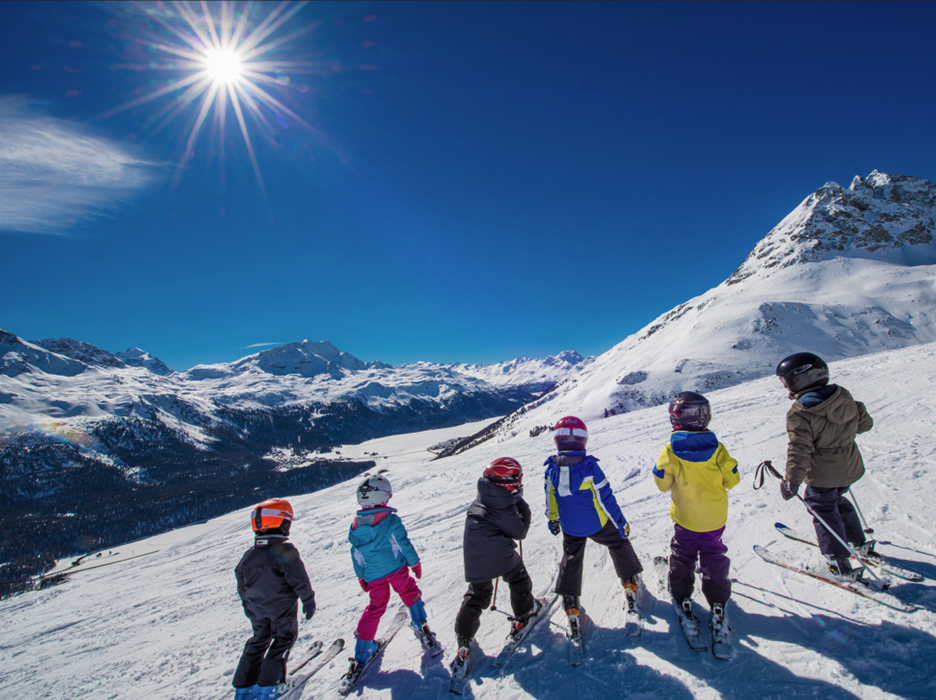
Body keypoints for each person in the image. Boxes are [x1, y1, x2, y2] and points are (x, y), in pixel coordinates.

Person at [775, 352, 874, 580]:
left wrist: (792, 480)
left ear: (801, 379)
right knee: (836, 500)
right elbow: (864, 425)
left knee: (822, 507)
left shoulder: (801, 412)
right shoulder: (843, 395)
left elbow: (799, 449)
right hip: (850, 466)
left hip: (823, 473)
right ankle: (856, 540)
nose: (785, 387)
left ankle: (837, 562)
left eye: (786, 381)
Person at [544, 416, 643, 635]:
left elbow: (550, 497)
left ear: (557, 441)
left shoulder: (551, 469)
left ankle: (570, 602)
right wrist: (620, 522)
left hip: (570, 527)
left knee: (571, 556)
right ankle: (629, 580)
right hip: (597, 524)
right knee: (618, 541)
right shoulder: (589, 467)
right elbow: (606, 497)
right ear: (583, 440)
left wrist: (552, 518)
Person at [653, 392, 739, 631]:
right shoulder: (718, 449)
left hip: (686, 518)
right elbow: (732, 480)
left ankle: (681, 595)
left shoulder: (670, 450)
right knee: (713, 554)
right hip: (714, 518)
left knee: (683, 554)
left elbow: (661, 483)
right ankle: (718, 601)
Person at [451, 457, 542, 676]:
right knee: (518, 578)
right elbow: (520, 532)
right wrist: (520, 503)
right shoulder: (505, 503)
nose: (520, 483)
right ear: (508, 481)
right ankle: (524, 616)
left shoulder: (486, 493)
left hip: (474, 553)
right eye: (517, 479)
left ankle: (464, 640)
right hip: (498, 551)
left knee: (478, 593)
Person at [347, 474, 440, 679]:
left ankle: (361, 653)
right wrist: (414, 562)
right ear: (380, 497)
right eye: (387, 496)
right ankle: (422, 627)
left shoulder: (354, 527)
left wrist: (361, 576)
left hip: (373, 576)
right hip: (396, 570)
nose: (388, 500)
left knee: (375, 608)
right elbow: (403, 543)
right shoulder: (390, 520)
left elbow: (357, 555)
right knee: (409, 592)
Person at [233, 499, 316, 700]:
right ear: (279, 523)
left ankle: (243, 688)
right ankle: (270, 687)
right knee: (283, 639)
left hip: (257, 610)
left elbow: (241, 580)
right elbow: (298, 579)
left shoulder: (250, 554)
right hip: (282, 609)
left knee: (259, 641)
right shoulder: (285, 550)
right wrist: (308, 600)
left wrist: (248, 606)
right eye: (287, 521)